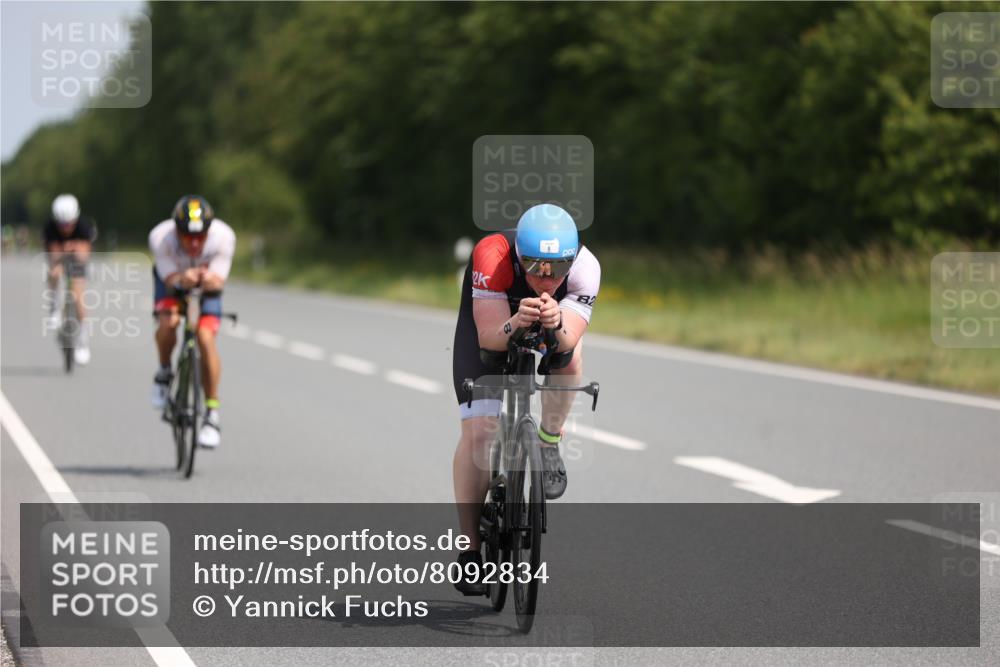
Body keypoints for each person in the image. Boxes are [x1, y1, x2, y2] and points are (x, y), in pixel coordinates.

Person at [451, 203, 600, 594]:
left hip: (550, 328)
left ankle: (549, 442)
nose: (546, 278)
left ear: (571, 259)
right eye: (535, 266)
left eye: (557, 268)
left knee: (570, 359)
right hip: (492, 326)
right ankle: (470, 552)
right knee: (480, 433)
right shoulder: (493, 255)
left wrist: (555, 323)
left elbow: (566, 343)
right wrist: (517, 321)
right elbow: (488, 339)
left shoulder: (585, 268)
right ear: (520, 256)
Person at [148, 195, 236, 448]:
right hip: (173, 283)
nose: (195, 243)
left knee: (206, 338)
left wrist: (209, 280)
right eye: (187, 236)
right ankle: (164, 372)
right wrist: (181, 279)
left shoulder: (223, 237)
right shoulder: (160, 237)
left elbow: (219, 280)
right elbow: (169, 279)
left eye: (200, 237)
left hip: (206, 286)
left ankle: (211, 414)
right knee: (169, 322)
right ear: (176, 230)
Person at [42, 194, 98, 364]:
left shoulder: (84, 226)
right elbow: (53, 254)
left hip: (77, 260)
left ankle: (82, 341)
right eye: (62, 224)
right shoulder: (49, 228)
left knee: (78, 296)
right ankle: (54, 306)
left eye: (69, 224)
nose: (66, 228)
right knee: (54, 273)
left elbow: (84, 254)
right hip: (58, 258)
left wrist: (72, 247)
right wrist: (66, 250)